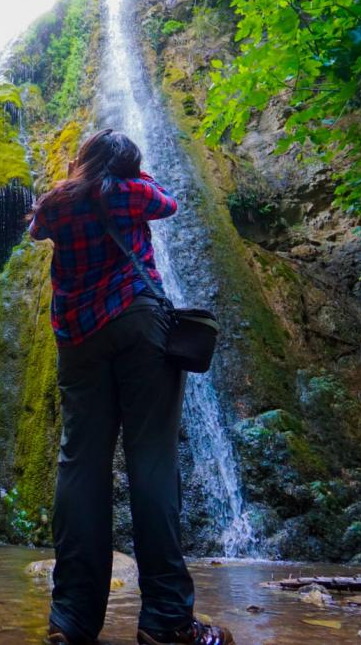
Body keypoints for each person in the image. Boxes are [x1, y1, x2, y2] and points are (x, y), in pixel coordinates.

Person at [28, 129, 234, 645]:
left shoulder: (58, 200)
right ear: (129, 164)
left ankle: (71, 620)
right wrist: (134, 174)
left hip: (77, 340)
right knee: (152, 461)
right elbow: (170, 202)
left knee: (80, 464)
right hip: (140, 326)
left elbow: (37, 230)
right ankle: (166, 622)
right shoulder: (132, 192)